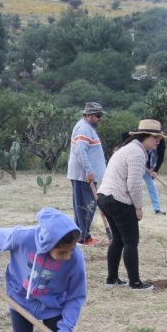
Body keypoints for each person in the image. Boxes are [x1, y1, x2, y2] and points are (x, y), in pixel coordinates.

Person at [97, 120, 166, 291]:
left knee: (118, 239)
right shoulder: (136, 153)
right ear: (145, 136)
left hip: (105, 197)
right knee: (130, 241)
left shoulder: (129, 148)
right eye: (155, 137)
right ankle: (135, 283)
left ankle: (111, 280)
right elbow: (134, 183)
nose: (158, 141)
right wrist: (138, 207)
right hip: (118, 199)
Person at [67, 102, 107, 245]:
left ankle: (83, 235)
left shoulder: (87, 127)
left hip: (86, 176)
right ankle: (82, 237)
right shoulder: (84, 128)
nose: (100, 118)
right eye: (97, 115)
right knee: (85, 207)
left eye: (101, 115)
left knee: (85, 206)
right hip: (84, 176)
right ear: (88, 115)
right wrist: (89, 171)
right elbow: (80, 152)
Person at [144, 138, 166, 215]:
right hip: (137, 164)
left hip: (149, 168)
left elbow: (161, 158)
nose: (156, 143)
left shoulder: (162, 143)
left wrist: (154, 171)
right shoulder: (145, 138)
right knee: (133, 185)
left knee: (152, 187)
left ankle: (157, 209)